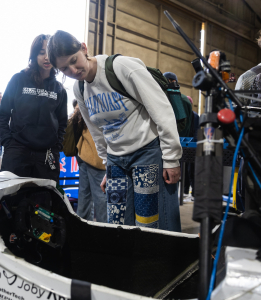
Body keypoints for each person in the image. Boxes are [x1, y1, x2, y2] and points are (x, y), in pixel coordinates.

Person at [48, 30, 182, 231]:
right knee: (116, 224)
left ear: (84, 48)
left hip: (146, 152)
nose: (73, 70)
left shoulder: (121, 68)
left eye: (74, 60)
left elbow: (161, 110)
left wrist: (171, 158)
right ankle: (127, 262)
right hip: (116, 161)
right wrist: (107, 167)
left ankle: (153, 262)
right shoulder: (80, 89)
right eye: (65, 69)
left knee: (149, 224)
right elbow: (96, 132)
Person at [0, 34, 67, 182]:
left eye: (50, 53)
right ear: (34, 55)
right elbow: (2, 115)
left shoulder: (59, 89)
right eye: (42, 53)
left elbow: (63, 123)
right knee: (12, 200)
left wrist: (56, 147)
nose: (46, 58)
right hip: (17, 151)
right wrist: (8, 144)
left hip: (47, 154)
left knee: (44, 201)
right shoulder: (18, 79)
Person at [71, 101, 107, 222]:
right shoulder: (97, 101)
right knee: (101, 198)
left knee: (84, 197)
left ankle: (82, 231)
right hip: (95, 155)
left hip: (83, 151)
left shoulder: (81, 101)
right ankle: (105, 232)